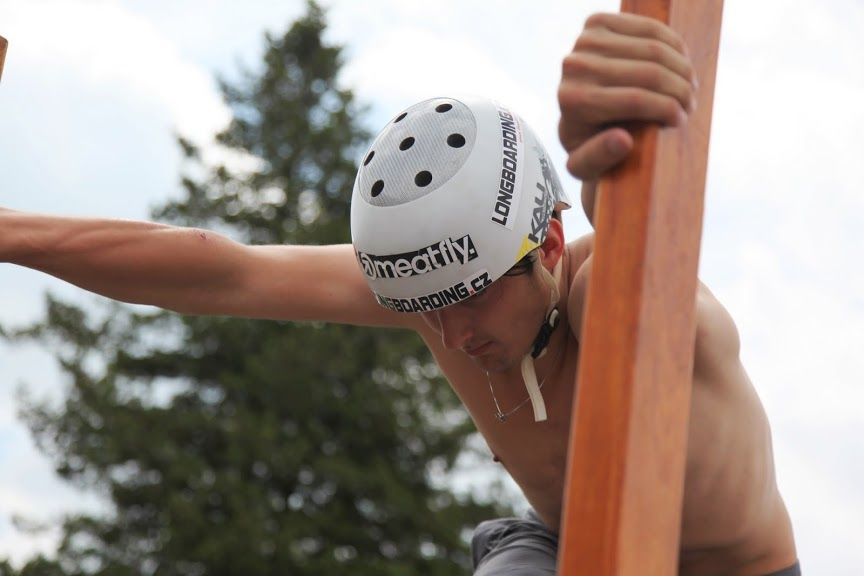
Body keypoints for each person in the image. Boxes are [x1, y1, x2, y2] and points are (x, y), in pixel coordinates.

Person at [0, 12, 798, 576]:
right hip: (560, 548)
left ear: (548, 244)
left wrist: (613, 166)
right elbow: (224, 272)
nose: (451, 334)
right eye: (425, 307)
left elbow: (653, 298)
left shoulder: (609, 296)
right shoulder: (430, 288)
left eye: (472, 298)